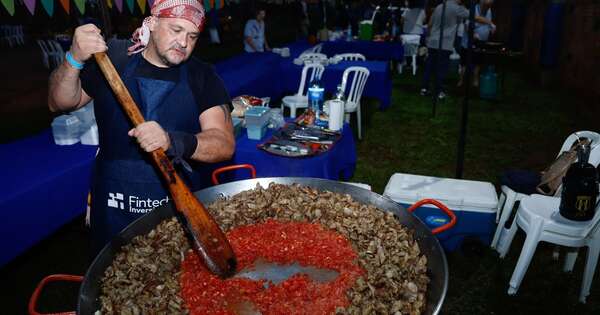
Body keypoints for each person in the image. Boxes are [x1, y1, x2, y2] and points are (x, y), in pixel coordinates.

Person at [47, 0, 235, 254]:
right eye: (176, 30)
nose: (183, 43)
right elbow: (59, 101)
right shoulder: (113, 58)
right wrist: (73, 59)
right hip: (112, 204)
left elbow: (224, 143)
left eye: (192, 36)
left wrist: (172, 141)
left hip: (177, 209)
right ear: (153, 22)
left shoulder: (202, 76)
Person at [420, 0, 469, 99]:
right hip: (445, 43)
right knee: (441, 68)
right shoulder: (457, 8)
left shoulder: (439, 7)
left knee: (429, 67)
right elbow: (471, 15)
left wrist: (428, 38)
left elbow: (429, 24)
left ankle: (424, 88)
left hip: (433, 41)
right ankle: (439, 91)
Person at [457, 0, 496, 87]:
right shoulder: (473, 10)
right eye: (486, 6)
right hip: (468, 42)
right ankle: (461, 80)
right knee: (464, 63)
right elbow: (467, 26)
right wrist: (473, 34)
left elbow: (488, 23)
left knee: (477, 62)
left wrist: (491, 29)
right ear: (481, 3)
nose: (488, 8)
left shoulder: (489, 11)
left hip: (481, 42)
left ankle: (475, 80)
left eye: (489, 6)